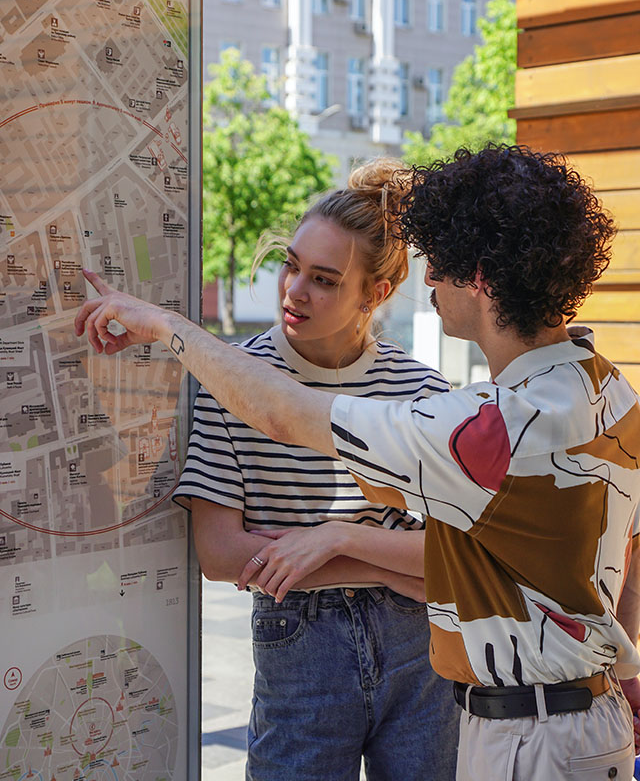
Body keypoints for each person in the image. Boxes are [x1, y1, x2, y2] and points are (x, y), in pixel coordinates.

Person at [75, 145, 640, 780]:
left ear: (478, 277)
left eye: (441, 267)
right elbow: (629, 550)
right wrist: (625, 666)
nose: (430, 282)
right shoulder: (614, 394)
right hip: (589, 717)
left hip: (524, 736)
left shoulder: (476, 428)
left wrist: (162, 325)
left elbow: (289, 415)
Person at [173, 159, 459, 779]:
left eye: (325, 279)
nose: (294, 290)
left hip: (421, 649)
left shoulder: (424, 391)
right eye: (291, 264)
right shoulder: (233, 381)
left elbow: (457, 557)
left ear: (375, 294)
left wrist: (322, 547)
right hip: (298, 641)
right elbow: (220, 552)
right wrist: (390, 560)